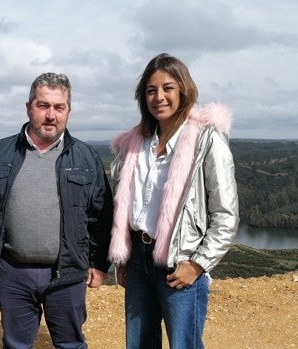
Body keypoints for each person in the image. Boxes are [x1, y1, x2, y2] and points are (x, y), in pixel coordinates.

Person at [0, 72, 114, 349]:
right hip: (12, 272)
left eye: (59, 107)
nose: (51, 115)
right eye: (43, 106)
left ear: (68, 110)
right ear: (29, 107)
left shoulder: (86, 157)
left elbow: (102, 215)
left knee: (70, 343)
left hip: (67, 273)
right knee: (16, 344)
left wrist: (100, 262)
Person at [107, 53, 239, 348]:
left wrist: (198, 264)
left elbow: (226, 215)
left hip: (181, 261)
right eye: (151, 90)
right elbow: (127, 207)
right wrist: (124, 255)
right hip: (138, 260)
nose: (159, 97)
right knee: (139, 343)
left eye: (168, 87)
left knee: (184, 344)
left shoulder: (207, 140)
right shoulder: (134, 144)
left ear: (183, 90)